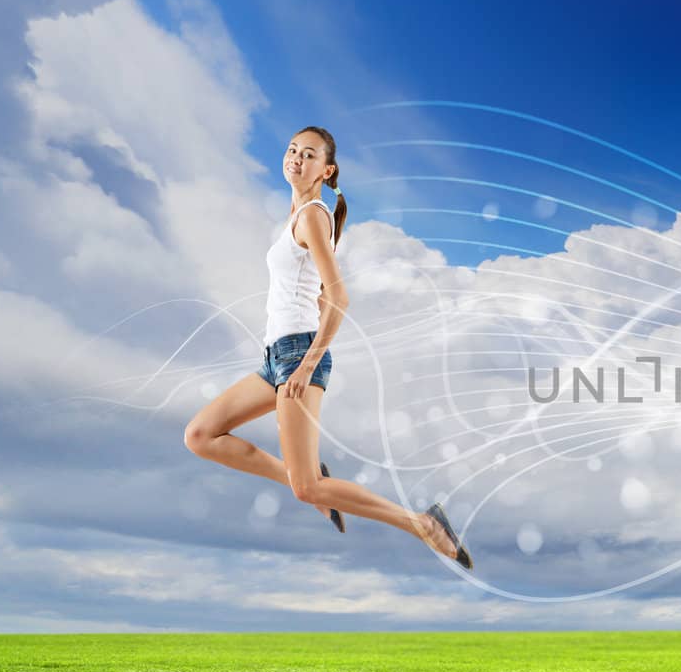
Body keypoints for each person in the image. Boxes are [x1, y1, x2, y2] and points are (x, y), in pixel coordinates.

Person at [183, 126, 472, 569]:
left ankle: (423, 525)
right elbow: (317, 293)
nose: (297, 158)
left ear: (327, 169)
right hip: (275, 359)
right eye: (293, 150)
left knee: (307, 491)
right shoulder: (299, 216)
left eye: (310, 155)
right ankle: (313, 477)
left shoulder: (312, 216)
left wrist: (305, 366)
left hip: (299, 357)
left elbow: (340, 299)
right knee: (201, 435)